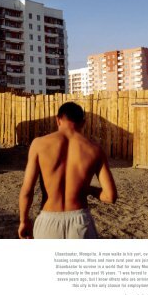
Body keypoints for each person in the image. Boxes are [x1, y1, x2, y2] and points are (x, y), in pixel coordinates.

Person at [18, 102, 117, 239]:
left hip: (48, 221)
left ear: (58, 119)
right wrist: (88, 190)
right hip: (80, 222)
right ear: (83, 123)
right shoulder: (95, 149)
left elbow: (27, 191)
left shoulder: (39, 144)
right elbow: (110, 197)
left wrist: (24, 221)